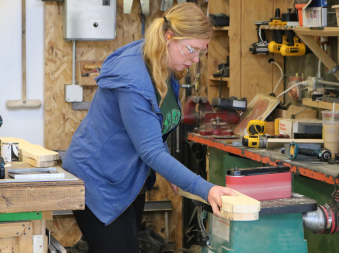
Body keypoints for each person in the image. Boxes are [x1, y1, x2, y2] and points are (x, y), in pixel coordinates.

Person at [63, 3, 236, 253]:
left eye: (201, 51)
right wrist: (206, 189)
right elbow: (151, 151)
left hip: (128, 179)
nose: (196, 59)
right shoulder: (134, 77)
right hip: (99, 181)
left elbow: (154, 126)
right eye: (191, 49)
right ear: (169, 37)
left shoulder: (163, 66)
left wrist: (171, 170)